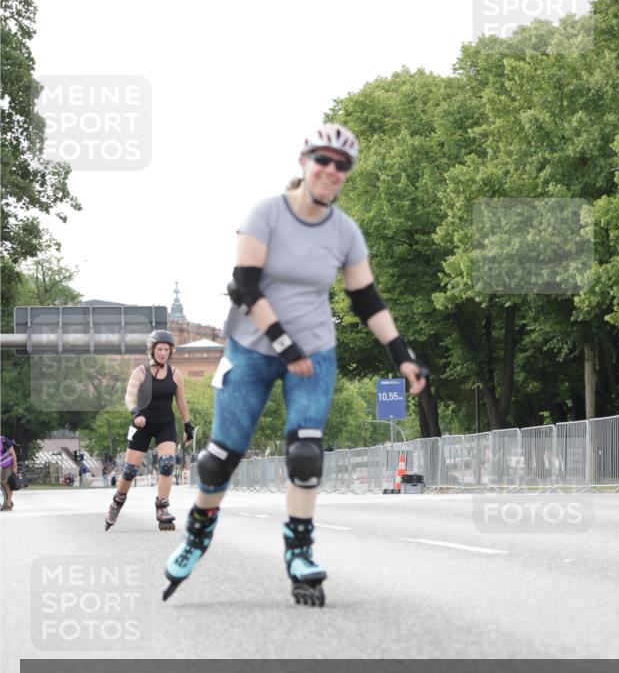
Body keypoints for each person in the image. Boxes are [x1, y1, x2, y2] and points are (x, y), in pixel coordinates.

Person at [163, 123, 426, 605]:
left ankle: (299, 553)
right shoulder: (267, 214)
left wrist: (403, 356)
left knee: (306, 453)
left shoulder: (345, 231)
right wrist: (285, 345)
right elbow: (244, 286)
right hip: (251, 346)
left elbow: (366, 299)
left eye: (341, 165)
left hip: (316, 352)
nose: (330, 170)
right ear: (304, 163)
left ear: (347, 175)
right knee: (219, 458)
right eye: (322, 160)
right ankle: (197, 536)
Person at [104, 330, 195, 531]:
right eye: (160, 349)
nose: (163, 353)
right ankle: (117, 503)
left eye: (166, 349)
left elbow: (181, 401)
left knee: (167, 464)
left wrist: (188, 425)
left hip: (165, 424)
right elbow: (128, 398)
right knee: (129, 472)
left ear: (171, 351)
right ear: (152, 350)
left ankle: (162, 508)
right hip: (141, 425)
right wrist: (135, 413)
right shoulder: (141, 372)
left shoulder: (175, 374)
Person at [1, 434, 19, 511]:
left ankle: (8, 503)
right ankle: (5, 502)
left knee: (7, 483)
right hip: (1, 465)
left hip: (9, 464)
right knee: (2, 483)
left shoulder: (4, 440)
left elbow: (13, 454)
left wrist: (15, 467)